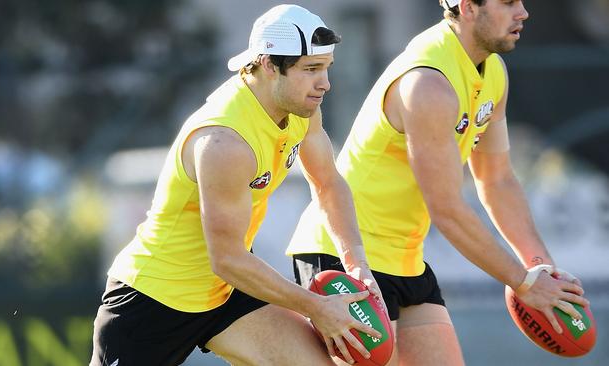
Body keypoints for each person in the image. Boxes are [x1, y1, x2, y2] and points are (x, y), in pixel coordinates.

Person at [286, 1, 590, 365]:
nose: (523, 12)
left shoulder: (493, 70)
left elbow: (497, 180)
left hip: (406, 260)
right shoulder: (428, 83)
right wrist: (523, 283)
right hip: (345, 254)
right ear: (467, 7)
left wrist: (540, 269)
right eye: (508, 2)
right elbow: (446, 209)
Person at [91, 4, 386, 366]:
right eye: (310, 70)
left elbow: (327, 182)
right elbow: (228, 258)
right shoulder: (224, 142)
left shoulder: (300, 107)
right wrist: (316, 308)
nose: (324, 83)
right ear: (268, 65)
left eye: (325, 68)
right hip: (153, 300)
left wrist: (356, 263)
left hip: (224, 295)